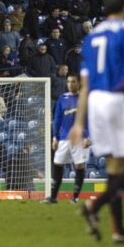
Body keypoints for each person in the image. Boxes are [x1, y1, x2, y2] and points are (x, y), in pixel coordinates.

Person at [69, 0, 124, 244]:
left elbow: (84, 85)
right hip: (118, 100)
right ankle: (92, 206)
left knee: (114, 170)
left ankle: (118, 232)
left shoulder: (91, 37)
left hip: (96, 103)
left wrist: (78, 123)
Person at [42, 74, 90, 204]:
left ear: (78, 83)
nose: (70, 84)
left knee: (79, 165)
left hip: (80, 138)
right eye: (68, 81)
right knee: (58, 164)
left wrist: (88, 136)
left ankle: (74, 197)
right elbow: (57, 119)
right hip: (63, 138)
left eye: (73, 82)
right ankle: (53, 197)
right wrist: (55, 137)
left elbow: (89, 119)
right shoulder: (62, 99)